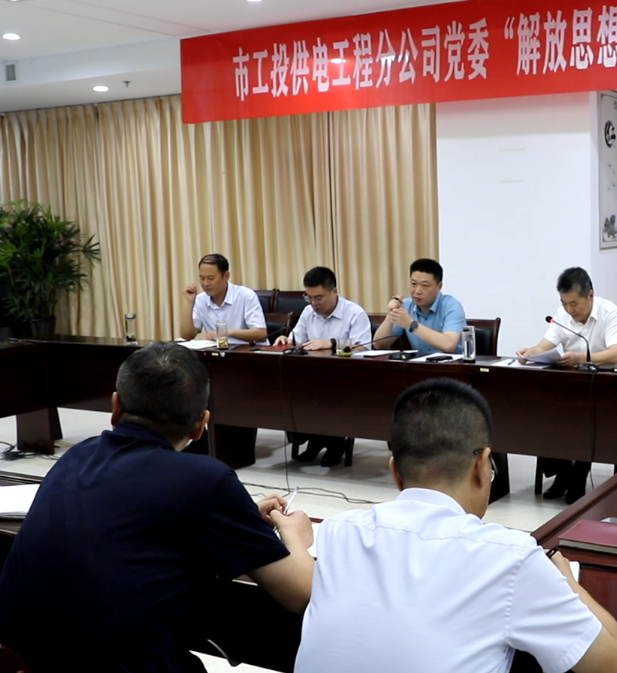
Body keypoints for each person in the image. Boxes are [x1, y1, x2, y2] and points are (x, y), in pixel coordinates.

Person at [0, 342, 314, 672]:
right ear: (201, 424)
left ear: (115, 406)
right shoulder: (206, 480)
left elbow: (142, 517)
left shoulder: (76, 455)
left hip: (22, 663)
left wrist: (237, 518)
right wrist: (296, 537)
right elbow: (299, 594)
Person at [293, 378, 617, 673]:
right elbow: (613, 665)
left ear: (395, 472)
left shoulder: (339, 531)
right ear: (482, 466)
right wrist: (567, 582)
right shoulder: (510, 558)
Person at [517, 267, 617, 503]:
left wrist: (581, 358)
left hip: (602, 386)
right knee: (540, 411)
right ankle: (564, 472)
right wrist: (529, 353)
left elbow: (616, 353)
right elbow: (544, 345)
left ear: (590, 295)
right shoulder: (562, 315)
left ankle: (579, 474)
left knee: (584, 416)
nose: (569, 309)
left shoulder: (609, 311)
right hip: (570, 385)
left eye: (574, 303)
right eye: (564, 303)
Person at [276, 266, 373, 467]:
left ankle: (334, 442)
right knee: (288, 391)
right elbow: (296, 340)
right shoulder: (308, 313)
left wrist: (333, 343)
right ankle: (315, 438)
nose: (313, 303)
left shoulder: (355, 313)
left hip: (347, 379)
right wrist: (286, 340)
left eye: (318, 297)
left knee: (323, 394)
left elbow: (364, 347)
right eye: (308, 297)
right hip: (311, 377)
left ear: (334, 291)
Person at [372, 258, 465, 355]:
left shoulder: (451, 306)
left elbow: (449, 345)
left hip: (453, 363)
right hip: (419, 363)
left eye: (424, 285)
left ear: (439, 286)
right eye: (414, 284)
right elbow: (378, 345)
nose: (417, 291)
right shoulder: (405, 306)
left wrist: (411, 324)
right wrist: (391, 315)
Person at [179, 253, 268, 346]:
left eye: (211, 278)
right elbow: (187, 335)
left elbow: (261, 333)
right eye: (202, 278)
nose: (205, 284)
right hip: (217, 352)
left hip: (246, 351)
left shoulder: (246, 296)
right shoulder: (200, 299)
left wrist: (228, 332)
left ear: (226, 276)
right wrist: (190, 302)